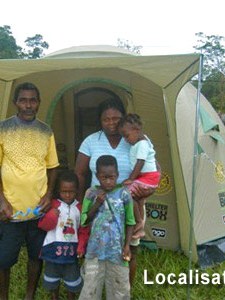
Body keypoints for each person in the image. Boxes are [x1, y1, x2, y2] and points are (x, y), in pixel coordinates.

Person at [0, 82, 59, 300]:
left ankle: (29, 296)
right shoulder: (0, 129)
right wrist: (2, 201)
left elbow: (52, 168)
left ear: (38, 103)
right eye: (23, 100)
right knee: (2, 261)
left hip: (38, 211)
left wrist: (48, 195)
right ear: (15, 102)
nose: (28, 105)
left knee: (36, 257)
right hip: (10, 212)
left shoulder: (46, 131)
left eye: (33, 100)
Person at [75, 97, 158, 287]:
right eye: (106, 119)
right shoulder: (91, 141)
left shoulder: (135, 139)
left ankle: (123, 290)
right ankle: (94, 288)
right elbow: (79, 173)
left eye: (116, 118)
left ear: (124, 119)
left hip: (130, 202)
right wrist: (81, 203)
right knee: (96, 247)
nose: (111, 123)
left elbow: (153, 167)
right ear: (100, 121)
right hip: (99, 203)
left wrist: (147, 191)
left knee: (129, 250)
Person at [79, 155, 135, 300]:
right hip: (95, 250)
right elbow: (84, 220)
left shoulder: (124, 194)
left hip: (117, 251)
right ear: (97, 176)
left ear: (117, 175)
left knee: (120, 288)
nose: (108, 181)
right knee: (90, 288)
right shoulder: (91, 193)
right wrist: (97, 203)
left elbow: (130, 222)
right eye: (104, 178)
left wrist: (127, 245)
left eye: (112, 177)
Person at [38, 171, 89, 300]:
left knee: (71, 277)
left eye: (71, 191)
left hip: (71, 250)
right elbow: (43, 226)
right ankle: (54, 297)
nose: (67, 195)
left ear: (76, 191)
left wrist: (81, 247)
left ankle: (70, 297)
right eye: (64, 191)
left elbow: (83, 230)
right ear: (58, 191)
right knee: (52, 276)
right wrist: (51, 215)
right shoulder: (53, 205)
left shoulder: (79, 208)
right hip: (53, 249)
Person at [118, 114, 161, 239]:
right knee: (139, 200)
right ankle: (140, 228)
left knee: (127, 193)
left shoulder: (142, 144)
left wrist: (131, 179)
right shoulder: (144, 140)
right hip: (148, 178)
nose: (126, 140)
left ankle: (138, 222)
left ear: (137, 131)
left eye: (126, 136)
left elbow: (140, 162)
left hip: (148, 178)